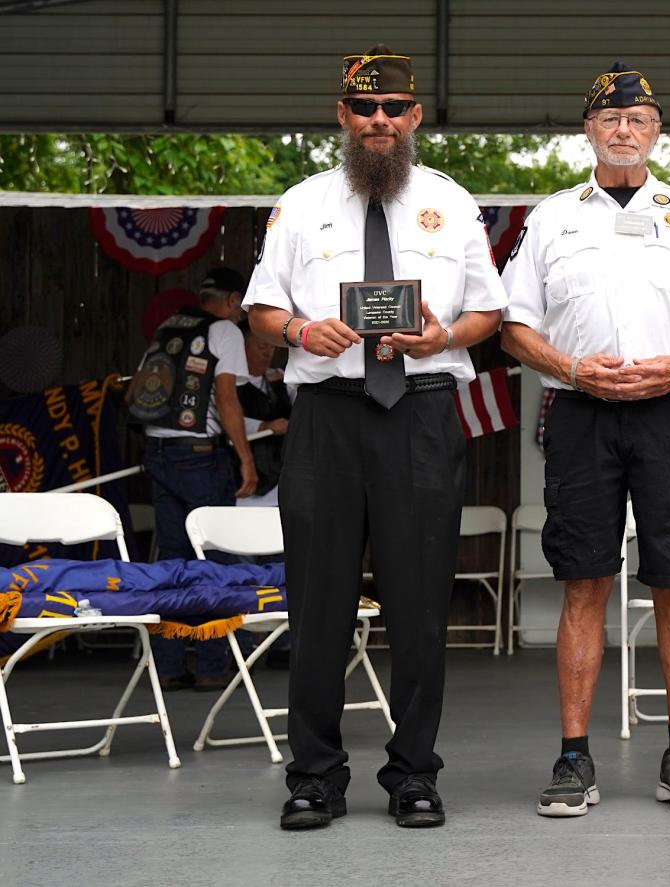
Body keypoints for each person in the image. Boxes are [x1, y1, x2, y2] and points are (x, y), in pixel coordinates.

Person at [244, 45, 507, 830]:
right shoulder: (299, 204)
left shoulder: (452, 202)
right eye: (365, 109)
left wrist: (442, 337)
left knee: (422, 602)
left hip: (421, 410)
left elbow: (488, 313)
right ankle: (315, 776)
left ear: (416, 116)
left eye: (394, 108)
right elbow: (261, 310)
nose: (380, 121)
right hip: (327, 416)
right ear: (343, 117)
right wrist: (298, 328)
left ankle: (414, 773)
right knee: (318, 600)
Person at [501, 62, 670, 818]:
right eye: (609, 119)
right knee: (584, 578)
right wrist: (572, 366)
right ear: (588, 130)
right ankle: (575, 757)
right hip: (581, 412)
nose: (622, 130)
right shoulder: (551, 218)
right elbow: (515, 328)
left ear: (656, 132)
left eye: (638, 120)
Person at [127, 266, 257, 692]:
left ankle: (167, 666)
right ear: (233, 300)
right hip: (201, 458)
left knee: (171, 563)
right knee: (212, 562)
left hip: (159, 455)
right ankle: (211, 665)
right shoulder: (225, 331)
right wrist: (246, 459)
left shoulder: (169, 328)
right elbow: (225, 397)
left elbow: (133, 395)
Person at [234, 317, 292, 509]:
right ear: (241, 348)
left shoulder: (281, 381)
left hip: (281, 479)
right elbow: (224, 420)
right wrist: (263, 426)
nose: (268, 352)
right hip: (247, 484)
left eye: (271, 347)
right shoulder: (229, 385)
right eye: (261, 347)